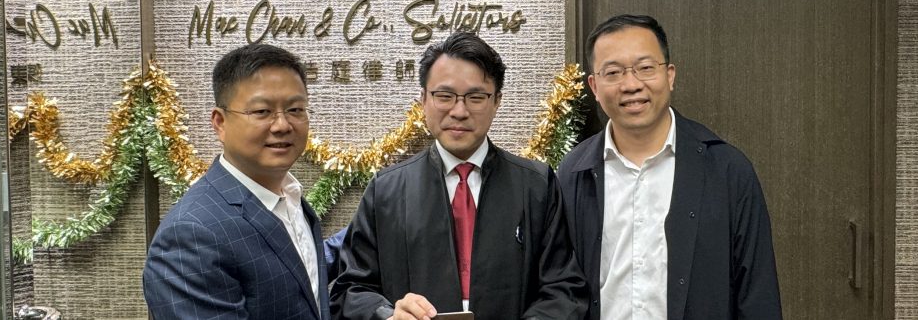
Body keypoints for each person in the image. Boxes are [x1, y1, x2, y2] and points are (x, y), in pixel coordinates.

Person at [331, 31, 588, 320]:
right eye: (444, 96)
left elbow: (564, 289)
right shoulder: (386, 190)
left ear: (497, 101)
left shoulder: (537, 185)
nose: (459, 111)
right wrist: (388, 315)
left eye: (476, 97)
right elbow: (350, 291)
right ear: (423, 99)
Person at [557, 14, 782, 319]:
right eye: (613, 72)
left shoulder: (727, 170)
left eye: (645, 68)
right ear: (594, 86)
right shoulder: (572, 173)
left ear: (670, 75)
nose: (631, 84)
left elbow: (757, 295)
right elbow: (561, 287)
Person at [143, 44, 328, 319]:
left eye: (295, 109)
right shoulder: (190, 236)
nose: (282, 125)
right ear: (220, 122)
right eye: (262, 111)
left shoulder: (289, 195)